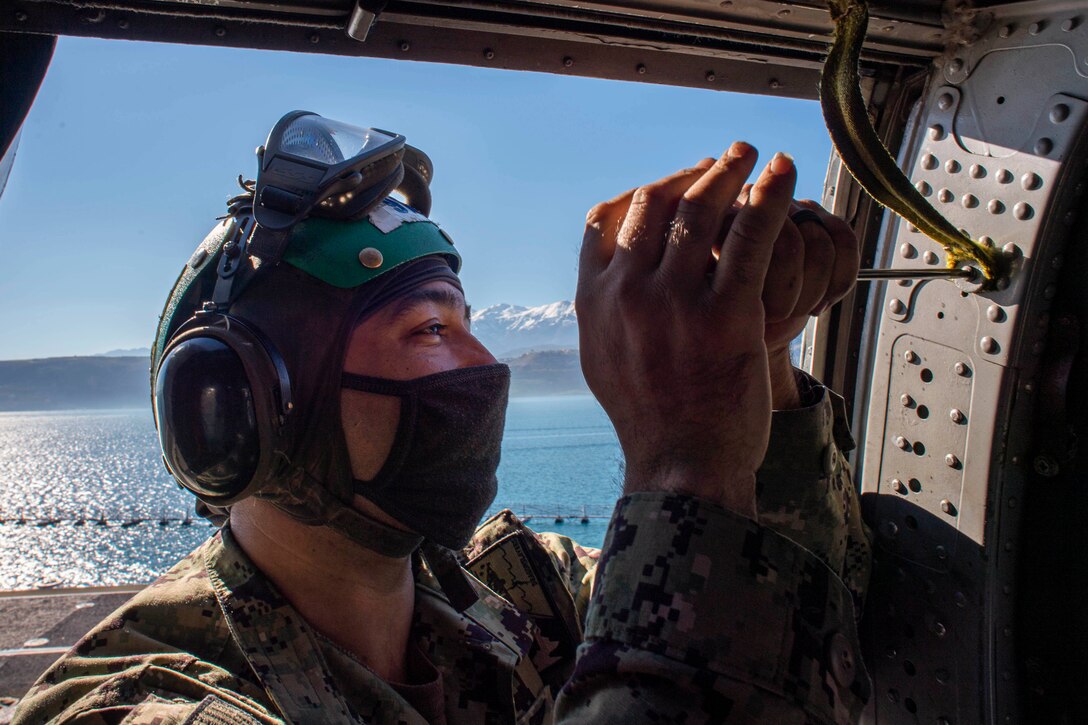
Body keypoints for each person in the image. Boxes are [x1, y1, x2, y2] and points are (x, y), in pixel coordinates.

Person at [14, 119, 871, 724]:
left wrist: (762, 361)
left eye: (467, 321)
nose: (483, 366)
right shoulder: (141, 700)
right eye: (429, 328)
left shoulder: (522, 593)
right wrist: (685, 470)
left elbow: (808, 628)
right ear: (246, 408)